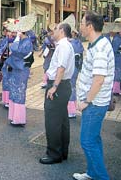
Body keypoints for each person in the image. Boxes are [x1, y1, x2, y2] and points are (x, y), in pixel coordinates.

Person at [73, 11, 114, 180]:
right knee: (94, 140)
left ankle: (101, 177)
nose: (80, 27)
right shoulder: (97, 44)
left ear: (89, 27)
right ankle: (92, 172)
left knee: (88, 141)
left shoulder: (100, 49)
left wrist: (86, 101)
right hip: (94, 102)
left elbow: (98, 80)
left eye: (82, 24)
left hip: (94, 104)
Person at [39, 22, 75, 165]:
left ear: (62, 31)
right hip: (62, 85)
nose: (52, 31)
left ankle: (54, 154)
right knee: (62, 120)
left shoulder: (64, 46)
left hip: (58, 86)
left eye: (55, 29)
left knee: (53, 121)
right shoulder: (62, 46)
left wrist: (54, 86)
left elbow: (61, 68)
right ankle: (62, 152)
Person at [2, 23, 33, 126]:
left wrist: (16, 41)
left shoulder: (26, 42)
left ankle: (19, 119)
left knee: (19, 93)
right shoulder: (23, 41)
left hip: (21, 70)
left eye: (17, 31)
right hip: (16, 69)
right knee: (14, 91)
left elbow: (16, 50)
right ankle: (14, 116)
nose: (15, 33)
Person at [0, 27, 15, 107]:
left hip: (13, 64)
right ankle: (6, 100)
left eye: (10, 31)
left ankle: (11, 100)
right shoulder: (5, 40)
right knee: (5, 80)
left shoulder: (16, 40)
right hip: (5, 62)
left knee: (11, 81)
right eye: (7, 31)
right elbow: (1, 49)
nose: (9, 33)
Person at [68, 29, 84, 118]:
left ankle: (71, 110)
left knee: (70, 87)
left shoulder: (71, 44)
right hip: (76, 67)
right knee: (73, 86)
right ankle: (73, 108)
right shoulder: (78, 43)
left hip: (71, 67)